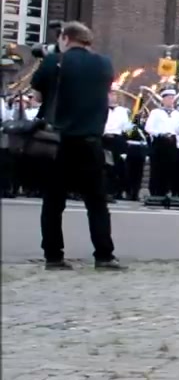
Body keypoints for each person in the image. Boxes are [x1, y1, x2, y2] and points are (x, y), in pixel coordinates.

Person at [30, 22, 124, 271]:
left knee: (53, 202)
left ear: (65, 37)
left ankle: (54, 256)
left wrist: (50, 58)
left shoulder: (55, 62)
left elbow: (38, 95)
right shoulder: (104, 64)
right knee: (96, 202)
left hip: (58, 142)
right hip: (91, 141)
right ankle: (104, 255)